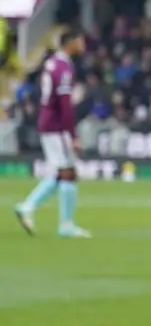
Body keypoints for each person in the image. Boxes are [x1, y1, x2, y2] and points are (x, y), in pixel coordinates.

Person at [13, 29, 90, 238]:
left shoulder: (51, 63)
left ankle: (29, 207)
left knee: (61, 173)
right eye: (80, 42)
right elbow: (65, 104)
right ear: (71, 43)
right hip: (57, 126)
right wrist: (72, 135)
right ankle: (64, 224)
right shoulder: (64, 68)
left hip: (47, 122)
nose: (83, 46)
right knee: (68, 172)